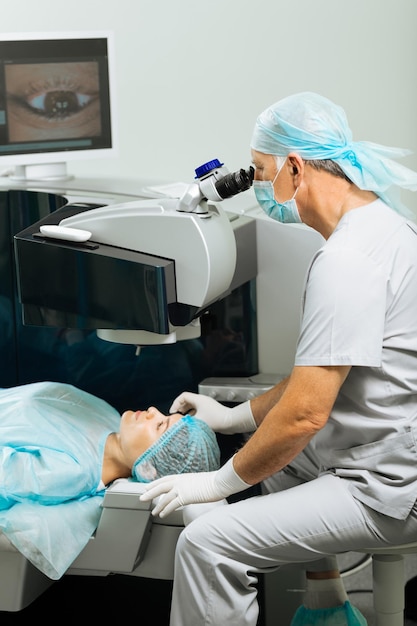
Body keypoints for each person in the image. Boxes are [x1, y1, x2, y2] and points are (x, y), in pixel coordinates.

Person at [140, 92, 417, 626]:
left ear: (295, 167)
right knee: (281, 460)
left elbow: (307, 414)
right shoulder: (384, 227)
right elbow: (323, 372)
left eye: (261, 173)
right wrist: (235, 418)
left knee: (207, 544)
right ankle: (326, 605)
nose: (259, 187)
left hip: (389, 486)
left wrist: (216, 484)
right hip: (389, 448)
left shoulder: (346, 262)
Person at [0, 380, 220, 579]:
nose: (153, 411)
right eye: (164, 415)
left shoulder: (74, 473)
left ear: (150, 467)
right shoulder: (109, 416)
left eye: (159, 425)